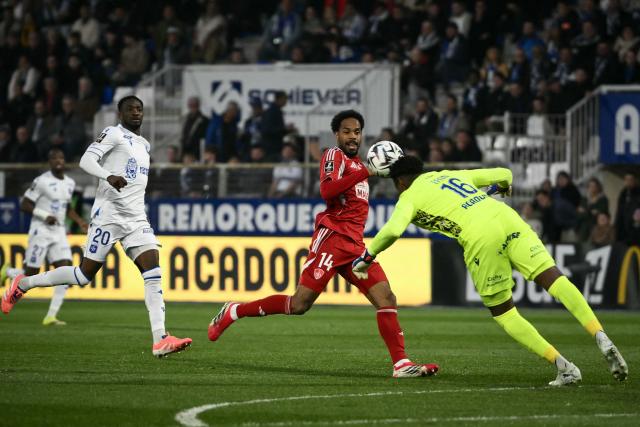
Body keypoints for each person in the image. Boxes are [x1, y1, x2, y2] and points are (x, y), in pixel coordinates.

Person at [352, 155, 628, 386]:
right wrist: (502, 186)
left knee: (504, 312)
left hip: (480, 235)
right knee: (553, 278)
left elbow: (392, 230)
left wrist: (368, 255)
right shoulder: (448, 175)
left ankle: (564, 366)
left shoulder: (408, 197)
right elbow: (504, 173)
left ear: (400, 182)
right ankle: (600, 335)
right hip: (506, 217)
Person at [207, 110, 439, 378]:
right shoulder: (334, 156)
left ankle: (401, 364)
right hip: (331, 240)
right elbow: (327, 191)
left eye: (357, 132)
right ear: (337, 134)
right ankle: (234, 310)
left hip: (354, 247)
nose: (353, 136)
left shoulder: (362, 168)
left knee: (386, 298)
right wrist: (366, 170)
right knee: (299, 305)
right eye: (347, 131)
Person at [1, 96, 192, 358]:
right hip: (108, 215)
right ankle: (24, 283)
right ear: (120, 113)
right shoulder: (113, 133)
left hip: (136, 218)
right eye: (130, 109)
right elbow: (86, 161)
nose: (136, 113)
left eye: (139, 109)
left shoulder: (144, 144)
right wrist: (108, 176)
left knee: (154, 272)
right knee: (82, 276)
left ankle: (160, 339)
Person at [0, 148, 88, 326]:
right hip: (41, 230)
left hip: (59, 231)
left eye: (61, 157)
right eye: (54, 158)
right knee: (31, 273)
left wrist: (80, 221)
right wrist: (43, 214)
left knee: (65, 269)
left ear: (65, 161)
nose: (58, 160)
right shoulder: (41, 181)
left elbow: (67, 208)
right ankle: (8, 272)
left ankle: (51, 316)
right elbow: (24, 204)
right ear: (49, 162)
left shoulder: (70, 183)